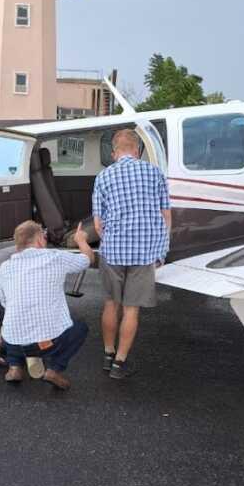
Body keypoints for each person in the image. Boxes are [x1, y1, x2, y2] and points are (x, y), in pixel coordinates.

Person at [92, 129, 172, 380]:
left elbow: (98, 224)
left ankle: (107, 353)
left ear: (115, 152)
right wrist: (161, 249)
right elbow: (166, 216)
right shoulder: (155, 172)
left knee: (110, 304)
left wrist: (112, 241)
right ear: (137, 151)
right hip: (144, 252)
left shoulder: (104, 176)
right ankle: (119, 364)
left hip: (113, 251)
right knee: (131, 310)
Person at [0, 220, 94, 390]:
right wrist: (81, 240)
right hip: (46, 343)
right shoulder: (54, 257)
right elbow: (87, 259)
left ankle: (14, 366)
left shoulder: (6, 267)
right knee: (80, 328)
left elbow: (5, 302)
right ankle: (54, 369)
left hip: (13, 343)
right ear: (40, 240)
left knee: (11, 325)